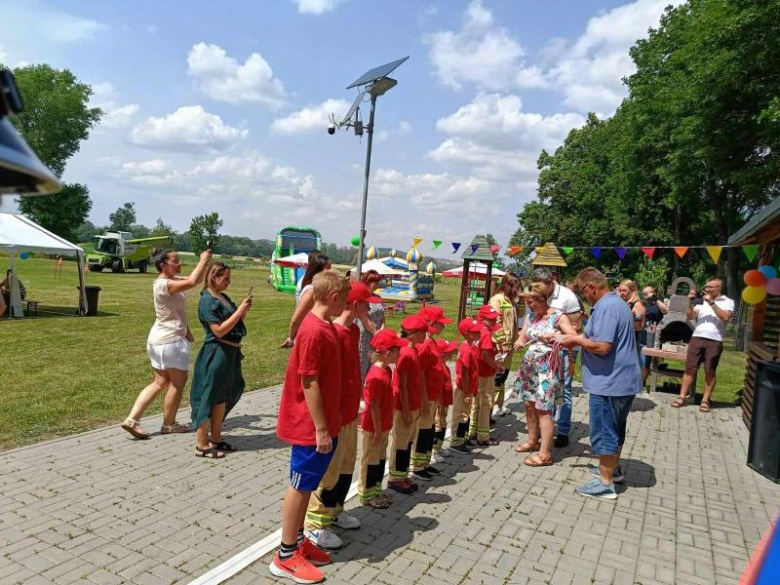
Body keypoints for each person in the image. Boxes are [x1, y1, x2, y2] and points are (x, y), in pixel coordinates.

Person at [270, 270, 349, 583]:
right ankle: (286, 555)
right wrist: (319, 428)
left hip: (324, 422)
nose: (346, 303)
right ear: (332, 298)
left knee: (308, 485)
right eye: (344, 299)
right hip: (308, 425)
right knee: (300, 487)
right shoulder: (313, 330)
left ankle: (299, 541)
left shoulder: (326, 325)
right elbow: (309, 379)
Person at [304, 281, 380, 550]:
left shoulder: (353, 332)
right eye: (365, 304)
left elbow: (351, 371)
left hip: (349, 410)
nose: (369, 308)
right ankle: (314, 525)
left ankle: (335, 510)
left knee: (346, 465)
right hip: (335, 414)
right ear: (354, 304)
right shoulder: (334, 332)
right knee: (330, 472)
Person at [560, 267, 642, 500]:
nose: (584, 297)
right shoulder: (618, 304)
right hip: (621, 380)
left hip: (609, 382)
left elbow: (603, 346)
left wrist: (574, 339)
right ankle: (612, 469)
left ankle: (605, 484)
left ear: (591, 288)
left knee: (605, 431)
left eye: (583, 293)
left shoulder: (606, 307)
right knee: (616, 428)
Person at [122, 249, 211, 440]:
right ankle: (168, 424)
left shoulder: (167, 281)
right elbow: (192, 282)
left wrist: (206, 264)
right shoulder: (165, 285)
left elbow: (196, 278)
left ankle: (132, 419)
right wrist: (203, 259)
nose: (179, 263)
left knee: (160, 382)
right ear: (163, 265)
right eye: (175, 261)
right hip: (170, 341)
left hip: (158, 340)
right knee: (178, 384)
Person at [190, 262, 252, 459]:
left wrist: (242, 312)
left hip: (230, 353)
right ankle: (201, 443)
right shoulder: (207, 300)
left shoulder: (223, 297)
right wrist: (239, 312)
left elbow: (233, 323)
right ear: (213, 277)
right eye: (225, 278)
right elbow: (218, 330)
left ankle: (216, 437)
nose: (228, 282)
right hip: (216, 353)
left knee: (222, 397)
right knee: (208, 396)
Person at [513, 283, 577, 467]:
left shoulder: (558, 316)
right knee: (528, 403)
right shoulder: (531, 316)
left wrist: (555, 336)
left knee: (543, 408)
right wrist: (518, 342)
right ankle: (533, 440)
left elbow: (572, 337)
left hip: (547, 368)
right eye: (526, 302)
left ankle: (545, 453)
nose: (529, 306)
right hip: (530, 366)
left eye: (531, 302)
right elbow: (524, 336)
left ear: (543, 299)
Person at [532, 267, 582, 448]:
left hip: (563, 350)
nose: (541, 291)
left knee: (564, 389)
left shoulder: (567, 297)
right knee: (543, 389)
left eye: (543, 287)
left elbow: (576, 326)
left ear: (550, 280)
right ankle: (544, 428)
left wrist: (557, 336)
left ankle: (562, 430)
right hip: (541, 351)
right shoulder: (536, 291)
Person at [359, 329, 406, 509]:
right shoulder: (376, 376)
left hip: (384, 425)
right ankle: (367, 494)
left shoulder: (387, 370)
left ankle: (376, 489)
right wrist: (378, 429)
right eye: (397, 351)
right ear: (387, 354)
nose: (399, 354)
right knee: (370, 460)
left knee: (379, 459)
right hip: (374, 427)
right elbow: (373, 406)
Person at [672, 277, 734, 412]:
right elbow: (690, 316)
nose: (707, 289)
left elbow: (725, 317)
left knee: (709, 370)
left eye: (711, 287)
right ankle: (682, 396)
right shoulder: (701, 301)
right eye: (706, 287)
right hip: (697, 337)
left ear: (719, 288)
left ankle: (705, 400)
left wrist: (711, 302)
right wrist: (689, 301)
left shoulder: (728, 302)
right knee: (690, 368)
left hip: (715, 339)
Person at [388, 314, 429, 494]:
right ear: (414, 334)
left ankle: (403, 474)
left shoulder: (413, 351)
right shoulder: (405, 354)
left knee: (409, 440)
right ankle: (395, 478)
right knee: (401, 442)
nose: (425, 337)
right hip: (404, 407)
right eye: (423, 333)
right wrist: (404, 409)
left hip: (413, 405)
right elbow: (400, 385)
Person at [410, 306, 451, 477]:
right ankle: (417, 465)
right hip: (426, 396)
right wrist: (424, 400)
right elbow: (419, 374)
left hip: (433, 394)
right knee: (422, 430)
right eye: (441, 323)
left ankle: (425, 462)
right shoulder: (425, 344)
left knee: (429, 429)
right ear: (432, 323)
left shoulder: (431, 340)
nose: (444, 327)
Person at [469, 305, 504, 446]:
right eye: (491, 319)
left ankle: (473, 431)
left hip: (477, 372)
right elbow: (485, 355)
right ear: (482, 319)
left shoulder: (477, 330)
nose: (494, 321)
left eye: (495, 318)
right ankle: (483, 436)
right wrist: (497, 367)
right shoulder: (485, 333)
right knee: (486, 403)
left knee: (476, 403)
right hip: (485, 373)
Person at [281, 251, 331, 348]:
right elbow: (296, 320)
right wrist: (291, 338)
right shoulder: (311, 291)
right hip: (307, 336)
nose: (331, 271)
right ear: (318, 270)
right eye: (328, 268)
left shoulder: (317, 287)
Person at [489, 273, 521, 417]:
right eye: (516, 286)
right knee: (497, 375)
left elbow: (520, 315)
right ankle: (491, 407)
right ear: (508, 284)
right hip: (500, 346)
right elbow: (495, 322)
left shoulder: (512, 300)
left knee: (503, 375)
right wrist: (502, 342)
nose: (517, 289)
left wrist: (521, 301)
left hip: (509, 345)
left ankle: (498, 404)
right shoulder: (497, 300)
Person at [449, 318, 482, 453]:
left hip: (470, 387)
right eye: (475, 332)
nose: (478, 333)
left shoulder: (472, 346)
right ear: (467, 333)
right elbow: (465, 373)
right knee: (460, 414)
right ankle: (456, 441)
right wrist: (467, 392)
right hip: (464, 388)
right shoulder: (466, 350)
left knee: (466, 413)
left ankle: (463, 437)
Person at [357, 270, 385, 381]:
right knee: (362, 365)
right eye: (375, 282)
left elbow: (383, 317)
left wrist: (381, 330)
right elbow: (364, 318)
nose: (377, 284)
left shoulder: (378, 297)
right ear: (368, 281)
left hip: (377, 338)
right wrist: (375, 333)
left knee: (373, 365)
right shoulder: (362, 297)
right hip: (365, 336)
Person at [641, 285, 668, 383]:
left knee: (645, 364)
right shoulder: (641, 304)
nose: (648, 295)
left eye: (650, 292)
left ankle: (641, 385)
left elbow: (667, 311)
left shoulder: (658, 305)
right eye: (645, 293)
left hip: (650, 339)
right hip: (639, 337)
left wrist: (655, 299)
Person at [617, 279, 646, 363]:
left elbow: (639, 326)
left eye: (625, 290)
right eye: (620, 290)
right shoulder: (626, 303)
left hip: (633, 343)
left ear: (632, 290)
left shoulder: (637, 305)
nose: (622, 293)